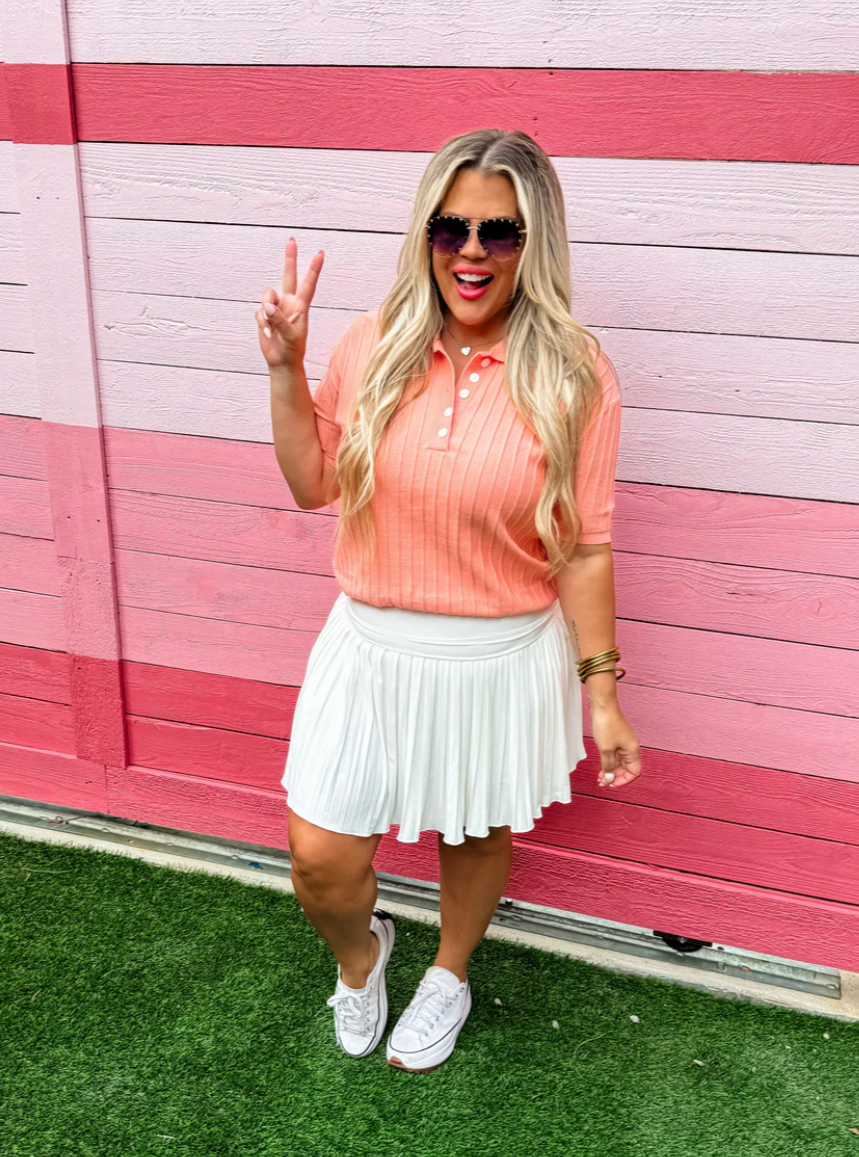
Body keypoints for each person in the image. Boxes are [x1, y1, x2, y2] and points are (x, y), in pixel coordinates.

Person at [256, 128, 642, 1074]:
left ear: (532, 243)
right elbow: (312, 485)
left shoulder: (574, 371)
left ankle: (450, 971)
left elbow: (584, 545)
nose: (471, 251)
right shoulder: (372, 342)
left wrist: (601, 692)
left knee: (473, 832)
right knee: (320, 857)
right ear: (425, 232)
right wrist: (285, 367)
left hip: (496, 652)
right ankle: (363, 955)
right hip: (367, 643)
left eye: (498, 232)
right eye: (450, 227)